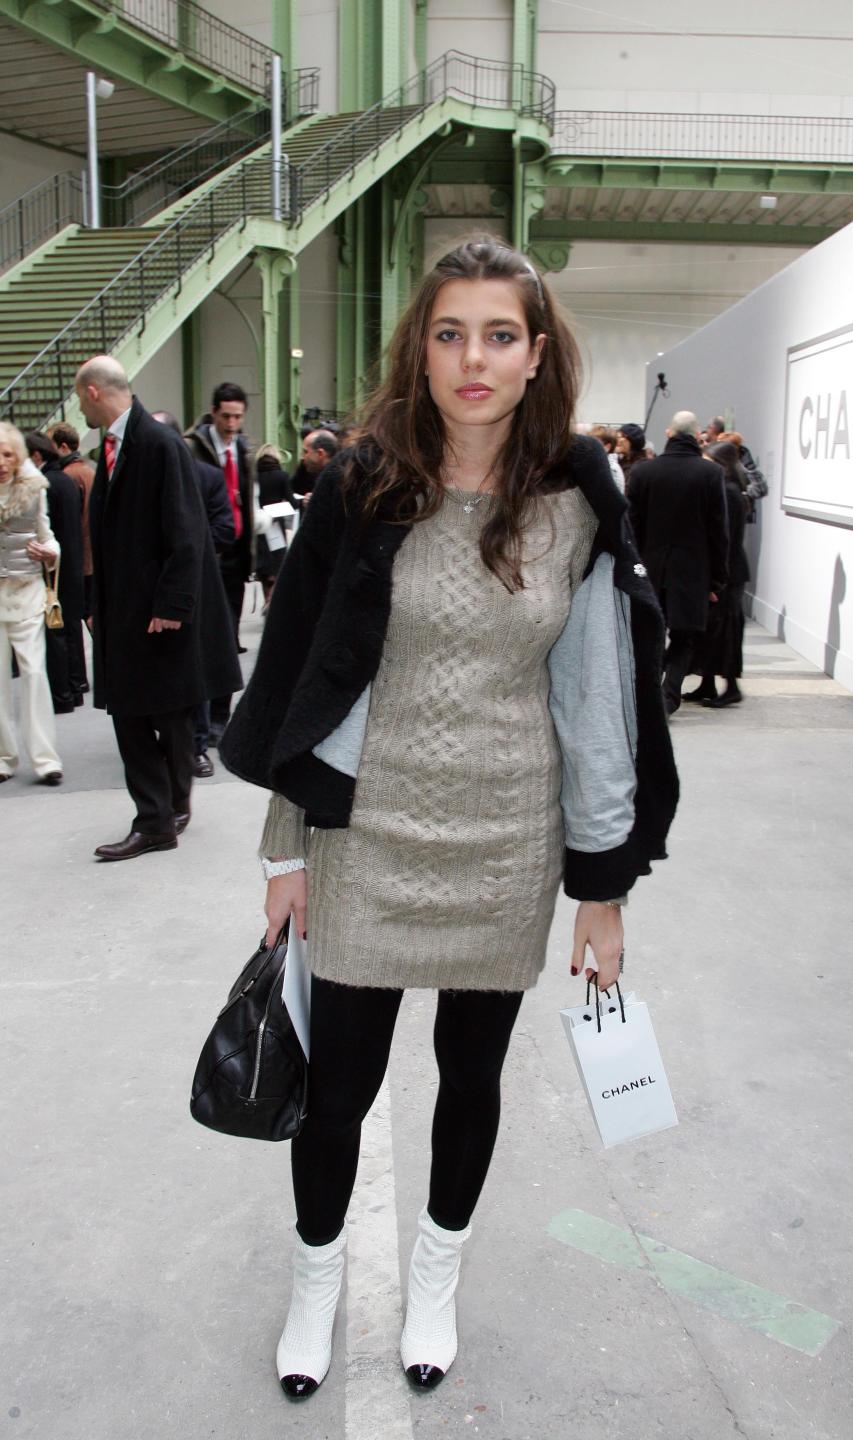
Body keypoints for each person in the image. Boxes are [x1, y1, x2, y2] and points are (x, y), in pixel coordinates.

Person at [219, 235, 679, 1400]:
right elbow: (309, 675)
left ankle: (436, 1278)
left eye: (501, 335)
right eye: (450, 332)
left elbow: (595, 703)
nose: (474, 359)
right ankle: (317, 1282)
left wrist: (602, 885)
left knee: (470, 1082)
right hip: (367, 832)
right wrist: (286, 849)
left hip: (506, 839)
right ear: (419, 350)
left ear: (537, 355)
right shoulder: (363, 485)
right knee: (340, 1088)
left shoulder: (577, 495)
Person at [76, 356, 242, 860]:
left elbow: (186, 530)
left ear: (93, 393)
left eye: (79, 396)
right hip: (126, 609)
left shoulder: (156, 443)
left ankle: (155, 821)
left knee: (151, 714)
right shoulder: (118, 444)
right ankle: (166, 809)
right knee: (148, 713)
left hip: (151, 611)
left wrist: (172, 603)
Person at [626, 410, 728, 715]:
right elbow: (718, 531)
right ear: (698, 436)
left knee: (650, 635)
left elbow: (631, 526)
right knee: (686, 636)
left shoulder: (644, 472)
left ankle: (647, 694)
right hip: (694, 571)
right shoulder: (710, 474)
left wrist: (632, 571)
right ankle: (668, 696)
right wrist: (717, 580)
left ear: (669, 434)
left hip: (650, 568)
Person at [152, 410, 235, 780]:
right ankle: (168, 742)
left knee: (194, 670)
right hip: (150, 591)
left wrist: (192, 555)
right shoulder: (142, 480)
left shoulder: (205, 477)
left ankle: (197, 748)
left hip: (195, 587)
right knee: (160, 671)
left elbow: (224, 528)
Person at [185, 383, 262, 743]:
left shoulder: (245, 451)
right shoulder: (192, 451)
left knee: (228, 637)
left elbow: (249, 500)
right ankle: (198, 718)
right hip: (204, 554)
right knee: (203, 638)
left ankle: (219, 715)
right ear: (213, 413)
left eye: (238, 416)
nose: (232, 423)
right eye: (226, 416)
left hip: (234, 556)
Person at [0, 423, 63, 785]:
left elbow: (48, 536)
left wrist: (50, 554)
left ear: (19, 457)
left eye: (8, 455)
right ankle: (4, 757)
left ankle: (45, 759)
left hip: (26, 591)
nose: (2, 462)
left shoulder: (34, 489)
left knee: (35, 674)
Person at [25, 432, 86, 714]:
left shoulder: (45, 485)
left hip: (54, 569)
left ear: (36, 456)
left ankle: (62, 695)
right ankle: (75, 688)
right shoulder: (65, 480)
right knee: (69, 629)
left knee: (55, 633)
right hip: (72, 564)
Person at [687, 441, 750, 707]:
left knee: (724, 629)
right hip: (723, 569)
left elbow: (725, 540)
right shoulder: (727, 491)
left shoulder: (730, 493)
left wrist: (717, 576)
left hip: (728, 572)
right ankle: (708, 683)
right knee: (711, 628)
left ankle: (730, 687)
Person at [49, 422, 95, 620]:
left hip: (81, 558)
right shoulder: (89, 469)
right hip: (93, 554)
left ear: (63, 447)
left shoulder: (68, 476)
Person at [253, 443, 296, 607]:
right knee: (277, 563)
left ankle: (267, 598)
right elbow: (292, 503)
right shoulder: (282, 476)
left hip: (259, 525)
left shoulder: (255, 477)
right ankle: (273, 601)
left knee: (264, 565)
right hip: (276, 525)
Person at [291, 428, 339, 502]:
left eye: (306, 452)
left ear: (320, 453)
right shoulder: (328, 475)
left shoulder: (341, 479)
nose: (302, 457)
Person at [588, 424, 625, 491]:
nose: (588, 447)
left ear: (607, 447)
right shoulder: (598, 464)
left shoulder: (611, 469)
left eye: (594, 444)